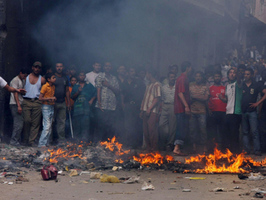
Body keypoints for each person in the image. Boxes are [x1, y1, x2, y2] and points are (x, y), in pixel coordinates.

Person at [241, 68, 266, 156]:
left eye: (248, 74)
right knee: (245, 132)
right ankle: (247, 150)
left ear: (251, 75)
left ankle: (257, 150)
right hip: (243, 111)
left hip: (252, 112)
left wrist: (258, 103)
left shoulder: (256, 85)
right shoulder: (241, 85)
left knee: (254, 132)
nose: (246, 76)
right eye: (245, 74)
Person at [22, 61, 46, 146]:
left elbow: (44, 91)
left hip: (37, 102)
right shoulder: (26, 77)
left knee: (35, 123)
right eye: (35, 67)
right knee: (27, 120)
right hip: (26, 101)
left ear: (40, 69)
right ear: (32, 67)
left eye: (39, 67)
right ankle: (25, 139)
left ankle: (31, 141)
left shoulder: (42, 79)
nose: (37, 69)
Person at [95, 62, 119, 141]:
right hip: (103, 105)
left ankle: (109, 143)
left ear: (111, 68)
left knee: (111, 125)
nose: (108, 67)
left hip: (112, 105)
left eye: (109, 66)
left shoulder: (114, 78)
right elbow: (98, 90)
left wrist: (108, 85)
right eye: (106, 66)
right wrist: (99, 103)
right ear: (104, 67)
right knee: (102, 124)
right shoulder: (100, 77)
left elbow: (117, 91)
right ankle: (100, 143)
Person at [121, 67, 145, 148]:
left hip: (137, 106)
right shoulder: (124, 82)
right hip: (128, 105)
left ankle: (137, 144)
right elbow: (122, 94)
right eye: (131, 71)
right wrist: (123, 104)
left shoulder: (139, 82)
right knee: (127, 125)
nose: (132, 73)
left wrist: (142, 107)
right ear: (128, 72)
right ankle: (128, 143)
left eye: (134, 71)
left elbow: (143, 96)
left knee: (136, 125)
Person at [173, 61, 192, 155]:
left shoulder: (182, 78)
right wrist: (186, 106)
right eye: (190, 67)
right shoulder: (182, 78)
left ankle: (179, 148)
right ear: (188, 68)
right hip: (181, 108)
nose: (191, 69)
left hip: (180, 108)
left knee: (183, 127)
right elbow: (180, 93)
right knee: (181, 127)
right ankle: (176, 148)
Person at [71, 71, 96, 141]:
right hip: (77, 110)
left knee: (85, 126)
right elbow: (72, 97)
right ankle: (76, 142)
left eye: (83, 75)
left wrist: (91, 100)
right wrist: (78, 92)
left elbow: (95, 93)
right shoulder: (75, 86)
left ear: (85, 77)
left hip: (86, 109)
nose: (81, 77)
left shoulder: (89, 85)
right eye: (80, 75)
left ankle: (84, 142)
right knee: (77, 126)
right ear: (78, 76)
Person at [140, 69, 161, 151]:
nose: (146, 76)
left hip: (152, 111)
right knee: (146, 131)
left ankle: (154, 149)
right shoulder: (148, 84)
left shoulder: (157, 84)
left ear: (150, 74)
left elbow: (157, 98)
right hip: (145, 110)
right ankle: (148, 148)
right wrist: (142, 110)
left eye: (147, 74)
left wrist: (149, 108)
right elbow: (145, 98)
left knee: (152, 130)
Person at [189, 71, 209, 153]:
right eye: (196, 76)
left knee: (203, 129)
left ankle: (204, 147)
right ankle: (194, 147)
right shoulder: (190, 86)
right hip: (192, 111)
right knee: (192, 130)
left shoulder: (205, 87)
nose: (198, 78)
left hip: (202, 111)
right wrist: (200, 97)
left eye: (199, 76)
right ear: (194, 77)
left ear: (202, 77)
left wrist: (194, 97)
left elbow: (205, 98)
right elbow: (189, 98)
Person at [9, 68, 29, 146]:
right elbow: (15, 93)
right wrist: (18, 106)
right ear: (20, 73)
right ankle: (14, 141)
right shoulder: (15, 80)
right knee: (18, 123)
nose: (24, 77)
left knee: (20, 123)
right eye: (24, 75)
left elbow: (20, 92)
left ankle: (17, 140)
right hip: (15, 104)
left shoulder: (23, 80)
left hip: (20, 103)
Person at [208, 71, 227, 150]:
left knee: (222, 130)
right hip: (213, 112)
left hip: (223, 112)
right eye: (216, 76)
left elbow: (227, 99)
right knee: (213, 131)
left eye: (218, 76)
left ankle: (222, 147)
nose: (217, 78)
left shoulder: (224, 88)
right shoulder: (210, 88)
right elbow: (208, 99)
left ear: (221, 78)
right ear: (213, 78)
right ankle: (213, 148)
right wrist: (209, 109)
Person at [158, 72, 177, 152]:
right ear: (168, 78)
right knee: (161, 125)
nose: (172, 78)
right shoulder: (163, 87)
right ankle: (164, 141)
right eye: (171, 77)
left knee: (172, 126)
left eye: (173, 77)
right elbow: (161, 99)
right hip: (165, 106)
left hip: (173, 106)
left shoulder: (177, 87)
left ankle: (169, 144)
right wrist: (160, 108)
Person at [53, 62, 70, 145]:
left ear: (63, 67)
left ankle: (61, 139)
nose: (59, 68)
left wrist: (68, 103)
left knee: (62, 122)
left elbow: (67, 91)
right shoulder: (52, 77)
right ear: (55, 67)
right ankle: (50, 139)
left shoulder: (65, 78)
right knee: (51, 121)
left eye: (60, 66)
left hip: (62, 102)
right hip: (53, 103)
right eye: (57, 66)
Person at [38, 73, 57, 148]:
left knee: (50, 126)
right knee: (47, 126)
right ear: (49, 79)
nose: (55, 79)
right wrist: (50, 98)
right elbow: (40, 98)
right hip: (45, 107)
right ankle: (41, 143)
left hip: (51, 106)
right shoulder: (45, 86)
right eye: (53, 77)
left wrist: (52, 99)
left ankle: (46, 142)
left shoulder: (53, 87)